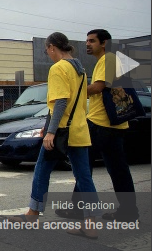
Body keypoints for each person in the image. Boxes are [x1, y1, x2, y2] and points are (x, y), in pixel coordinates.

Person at [8, 32, 101, 239]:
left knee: (41, 170)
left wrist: (50, 131)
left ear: (52, 47)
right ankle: (91, 225)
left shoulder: (58, 68)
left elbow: (59, 102)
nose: (48, 54)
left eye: (47, 50)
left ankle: (32, 214)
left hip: (61, 132)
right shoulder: (80, 69)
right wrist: (48, 125)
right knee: (84, 177)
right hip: (78, 130)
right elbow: (72, 102)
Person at [56, 29, 139, 221]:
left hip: (100, 123)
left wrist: (74, 91)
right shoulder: (110, 59)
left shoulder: (108, 59)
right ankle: (129, 212)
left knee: (83, 165)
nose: (87, 44)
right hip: (114, 125)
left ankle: (78, 209)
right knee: (118, 170)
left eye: (92, 41)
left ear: (105, 43)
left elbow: (98, 87)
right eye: (86, 41)